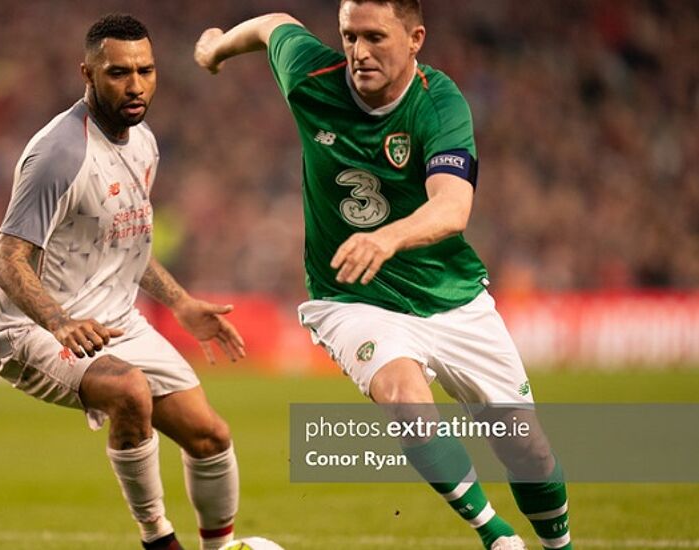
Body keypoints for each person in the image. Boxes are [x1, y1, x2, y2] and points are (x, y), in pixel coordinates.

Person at [194, 2, 571, 549]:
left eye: (375, 37)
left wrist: (388, 237)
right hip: (351, 296)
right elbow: (274, 25)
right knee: (406, 398)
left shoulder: (438, 104)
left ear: (415, 38)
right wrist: (217, 48)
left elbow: (452, 208)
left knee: (527, 448)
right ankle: (495, 534)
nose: (358, 51)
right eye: (349, 36)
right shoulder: (311, 75)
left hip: (450, 296)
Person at [0, 14, 243, 550]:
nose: (135, 85)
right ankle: (158, 539)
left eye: (145, 71)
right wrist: (58, 320)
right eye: (119, 72)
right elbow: (6, 260)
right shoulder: (60, 154)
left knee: (211, 437)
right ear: (88, 73)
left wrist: (181, 304)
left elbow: (122, 247)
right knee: (130, 391)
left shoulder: (144, 143)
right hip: (34, 330)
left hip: (116, 322)